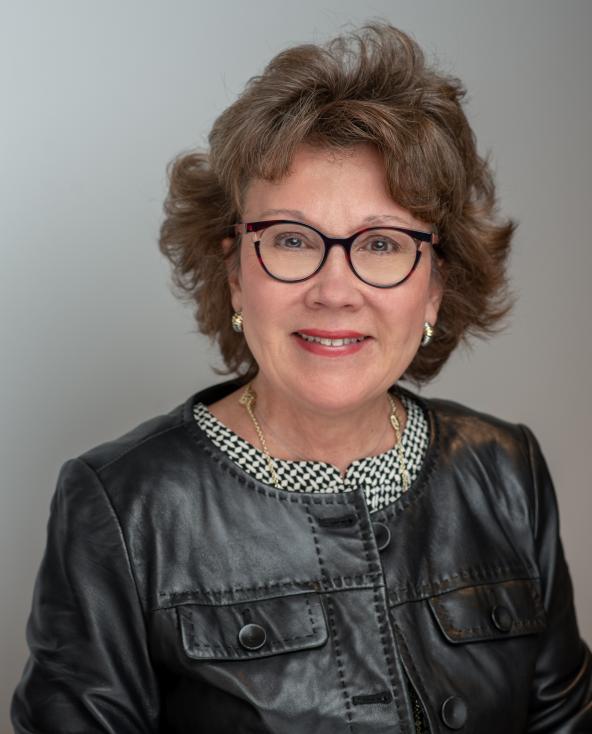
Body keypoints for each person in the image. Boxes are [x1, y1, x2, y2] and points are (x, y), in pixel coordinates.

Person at [11, 22, 592, 734]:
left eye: (382, 244)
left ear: (436, 288)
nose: (334, 289)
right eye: (292, 239)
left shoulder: (508, 474)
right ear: (234, 274)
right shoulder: (122, 509)